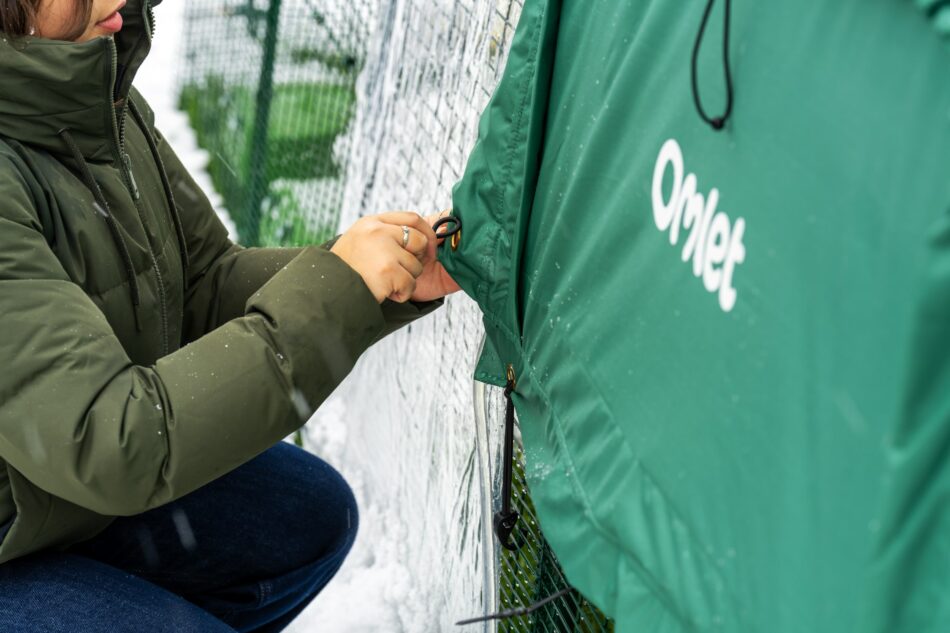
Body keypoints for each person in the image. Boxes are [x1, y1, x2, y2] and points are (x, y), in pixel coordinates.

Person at [0, 0, 461, 630]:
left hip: (60, 496)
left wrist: (370, 277)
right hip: (26, 523)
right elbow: (111, 439)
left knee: (306, 517)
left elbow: (203, 284)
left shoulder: (94, 94)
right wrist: (341, 286)